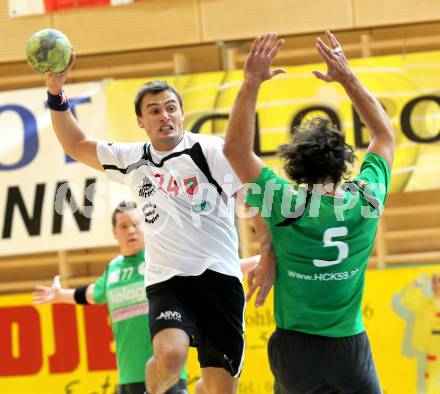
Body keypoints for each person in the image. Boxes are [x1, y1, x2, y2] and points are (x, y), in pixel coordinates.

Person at [44, 58, 274, 394]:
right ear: (141, 121)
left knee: (219, 389)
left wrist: (267, 255)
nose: (164, 115)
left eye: (170, 108)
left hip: (221, 281)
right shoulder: (133, 158)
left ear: (181, 113)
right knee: (169, 357)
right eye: (153, 110)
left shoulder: (209, 150)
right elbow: (76, 145)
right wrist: (56, 92)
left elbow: (256, 203)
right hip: (169, 281)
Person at [223, 31, 395, 393]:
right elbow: (383, 135)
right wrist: (347, 77)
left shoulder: (285, 203)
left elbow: (236, 150)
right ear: (344, 161)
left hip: (294, 347)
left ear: (294, 167)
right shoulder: (365, 202)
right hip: (348, 347)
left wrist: (251, 81)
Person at [32, 201, 188, 394]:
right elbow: (92, 294)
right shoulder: (113, 268)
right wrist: (59, 295)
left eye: (136, 224)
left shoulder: (160, 259)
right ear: (115, 232)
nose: (131, 230)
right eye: (124, 226)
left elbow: (207, 272)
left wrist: (233, 268)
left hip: (166, 373)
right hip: (128, 378)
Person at [394, 273, 440, 394]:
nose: (436, 284)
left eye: (439, 281)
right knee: (428, 381)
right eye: (434, 281)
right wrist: (415, 284)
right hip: (429, 347)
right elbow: (407, 298)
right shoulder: (423, 303)